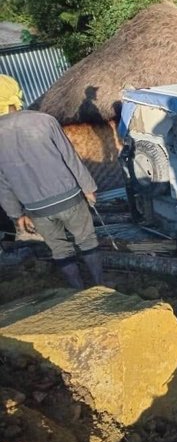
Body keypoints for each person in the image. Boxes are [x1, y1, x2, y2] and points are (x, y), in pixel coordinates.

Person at [0, 74, 102, 289]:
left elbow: (3, 184)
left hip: (36, 208)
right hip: (69, 197)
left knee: (60, 250)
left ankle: (78, 291)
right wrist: (88, 188)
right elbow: (70, 157)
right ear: (16, 95)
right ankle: (100, 285)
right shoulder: (43, 120)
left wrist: (16, 216)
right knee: (87, 241)